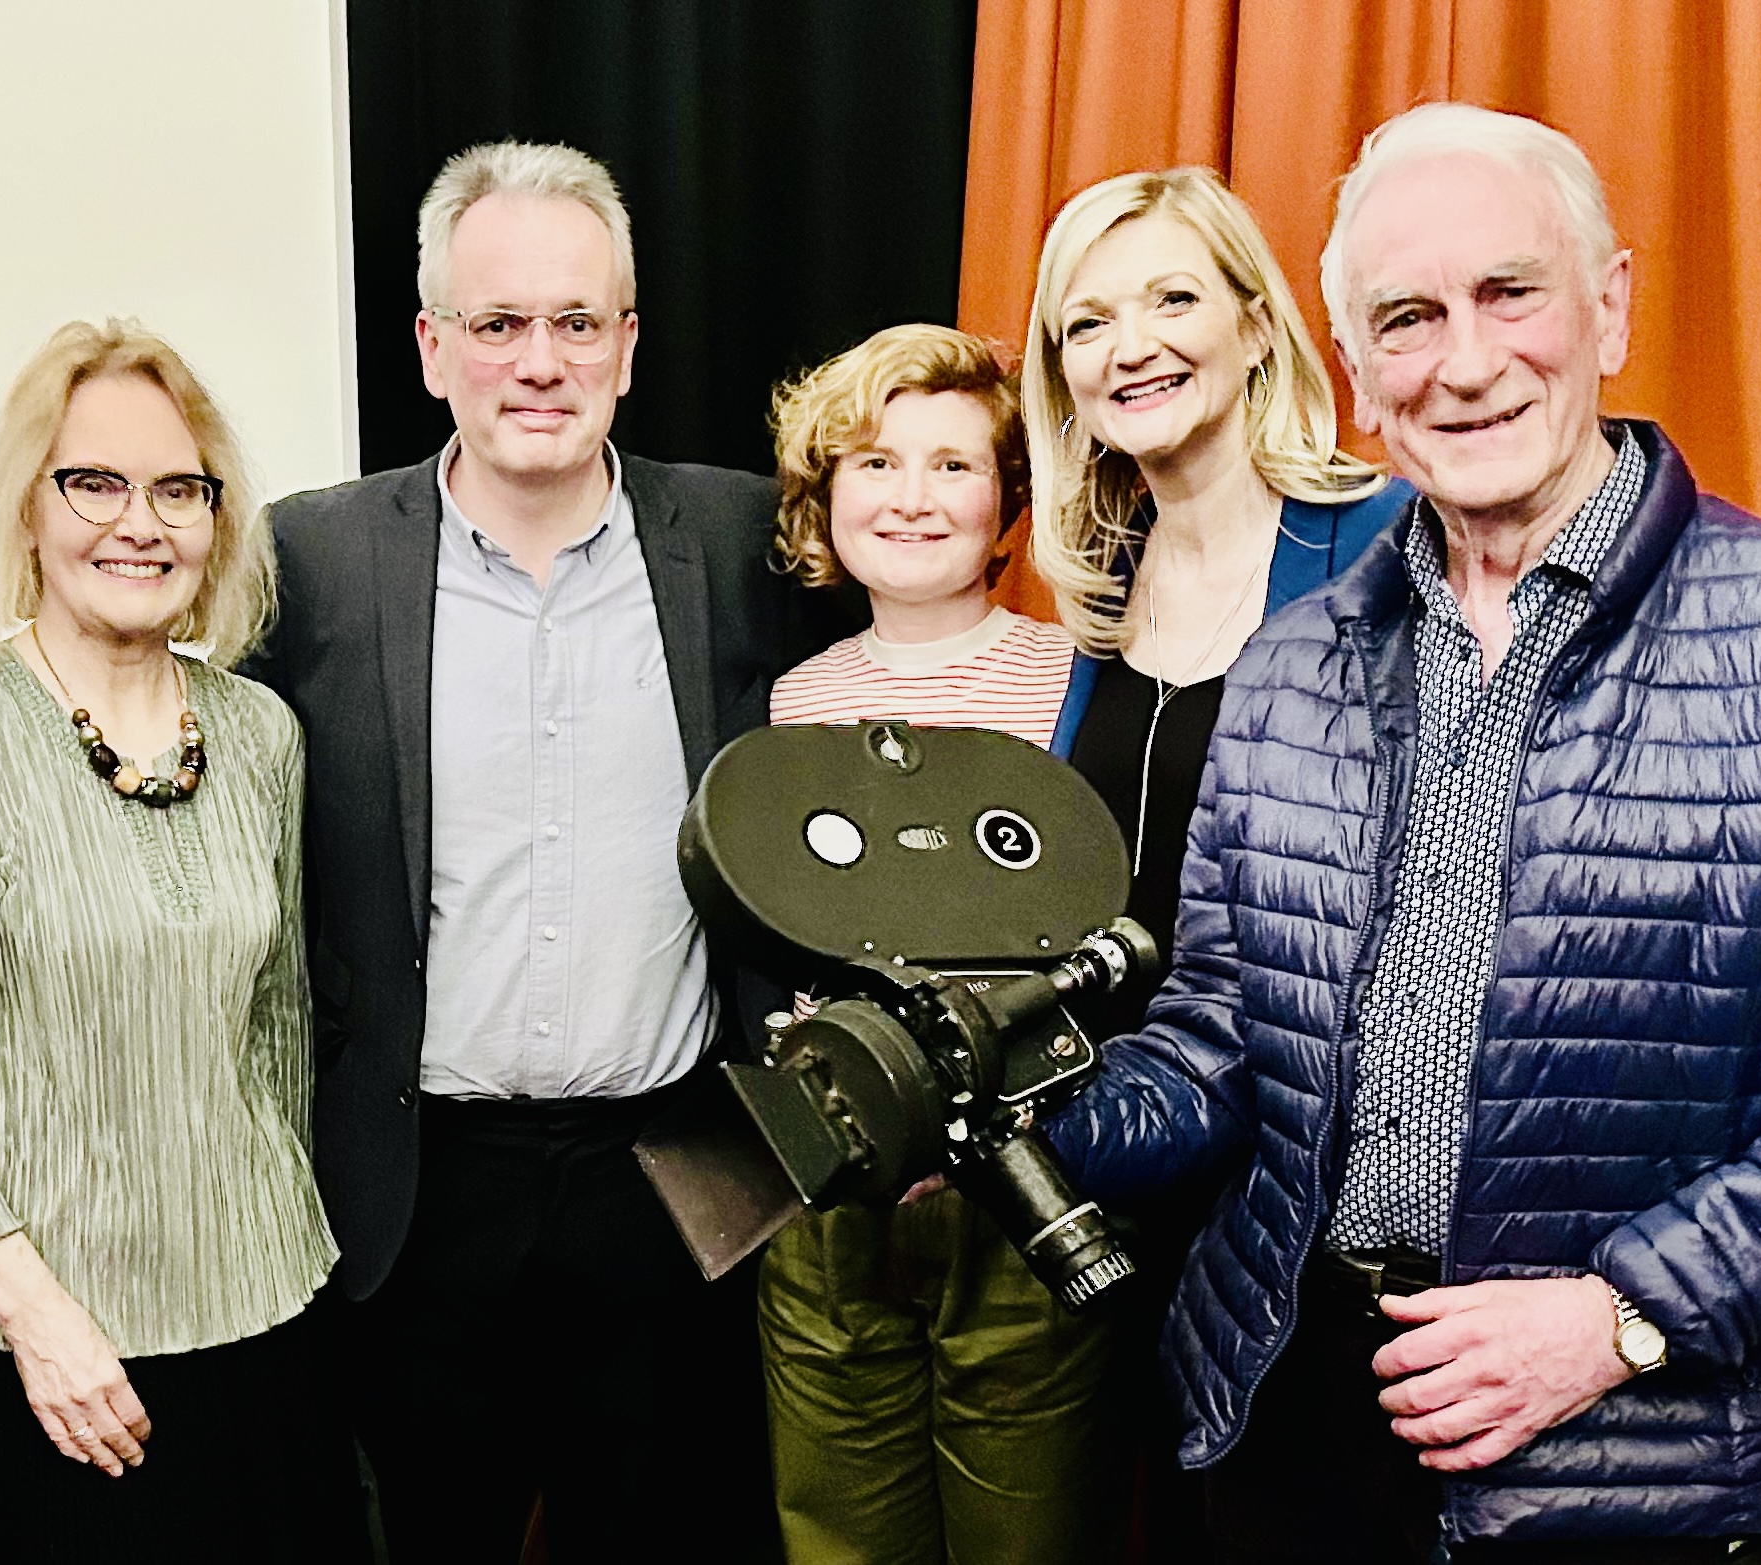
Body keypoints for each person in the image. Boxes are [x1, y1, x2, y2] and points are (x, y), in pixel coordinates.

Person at [1041, 101, 1761, 1561]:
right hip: (1295, 1416)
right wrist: (1021, 1099)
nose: (1467, 360)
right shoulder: (1293, 659)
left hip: (1635, 1454)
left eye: (1512, 292)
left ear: (1611, 302)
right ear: (1361, 372)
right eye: (1408, 317)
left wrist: (1622, 1319)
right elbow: (1216, 1037)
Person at [242, 140, 836, 1562]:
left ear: (628, 347)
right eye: (499, 324)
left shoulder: (753, 542)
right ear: (433, 347)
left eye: (578, 323)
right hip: (416, 1187)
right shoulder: (310, 560)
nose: (540, 362)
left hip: (678, 1175)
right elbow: (151, 686)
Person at [0, 320, 355, 1562]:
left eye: (178, 488)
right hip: (36, 1350)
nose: (138, 522)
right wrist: (38, 1317)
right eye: (93, 481)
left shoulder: (261, 734)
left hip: (265, 1312)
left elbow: (280, 1021)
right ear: (29, 506)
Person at [1020, 164, 1409, 1561]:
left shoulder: (1382, 548)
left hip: (1315, 1195)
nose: (1132, 345)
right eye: (1088, 321)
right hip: (1125, 1168)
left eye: (1174, 297)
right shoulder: (1103, 584)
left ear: (1258, 321)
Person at [753, 322, 1117, 1564]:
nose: (912, 497)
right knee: (839, 1528)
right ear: (823, 495)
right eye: (875, 462)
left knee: (1027, 1527)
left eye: (954, 467)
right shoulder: (791, 706)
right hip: (833, 1178)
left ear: (1010, 504)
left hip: (1021, 1178)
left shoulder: (1078, 681)